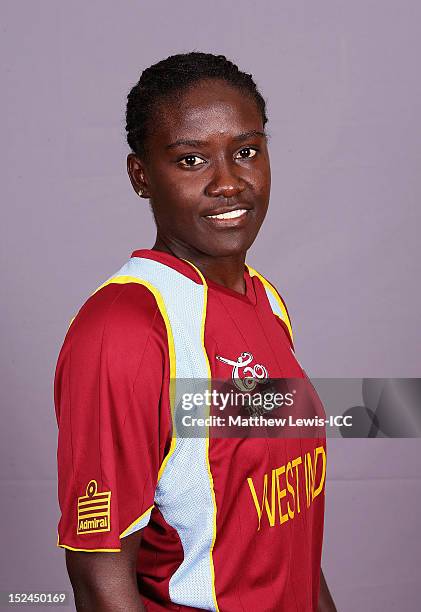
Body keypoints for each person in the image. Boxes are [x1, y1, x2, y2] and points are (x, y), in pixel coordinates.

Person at [54, 52, 337, 611]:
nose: (229, 183)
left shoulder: (265, 299)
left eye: (247, 152)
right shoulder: (124, 329)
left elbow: (282, 528)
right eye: (191, 160)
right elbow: (98, 571)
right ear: (142, 175)